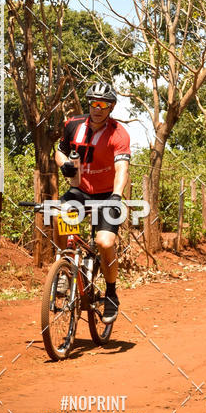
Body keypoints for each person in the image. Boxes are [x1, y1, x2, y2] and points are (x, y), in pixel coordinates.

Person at [54, 81, 131, 323]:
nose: (97, 108)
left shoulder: (118, 133)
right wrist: (64, 164)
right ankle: (65, 267)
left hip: (107, 194)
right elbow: (60, 150)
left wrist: (116, 197)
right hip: (80, 191)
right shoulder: (73, 125)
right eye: (94, 103)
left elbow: (122, 169)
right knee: (57, 215)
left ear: (111, 107)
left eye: (103, 105)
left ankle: (111, 293)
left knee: (104, 242)